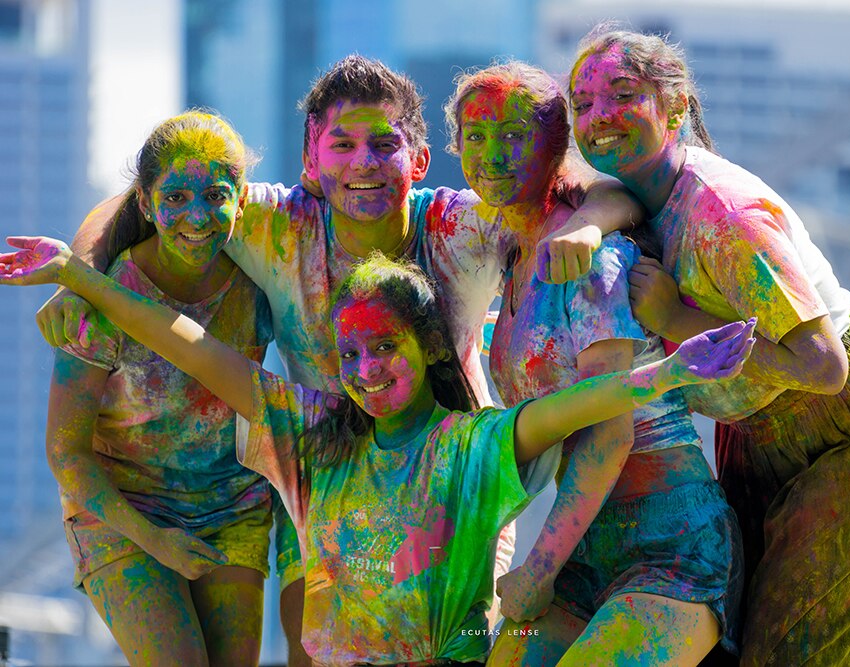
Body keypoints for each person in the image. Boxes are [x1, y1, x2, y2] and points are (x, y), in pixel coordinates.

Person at [34, 55, 642, 665]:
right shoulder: (279, 224)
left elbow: (596, 192)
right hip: (324, 475)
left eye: (385, 145)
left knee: (448, 653)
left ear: (420, 161)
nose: (364, 164)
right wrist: (77, 277)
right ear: (312, 164)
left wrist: (587, 228)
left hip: (451, 482)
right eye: (343, 145)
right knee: (316, 654)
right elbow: (146, 199)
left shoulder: (460, 227)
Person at [2, 240, 756, 665]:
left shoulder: (468, 448)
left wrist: (671, 372)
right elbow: (192, 346)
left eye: (383, 348)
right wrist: (77, 274)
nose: (366, 371)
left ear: (427, 345)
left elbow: (571, 407)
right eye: (349, 354)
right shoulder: (311, 437)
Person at [569, 25, 850, 666]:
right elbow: (598, 192)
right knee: (737, 638)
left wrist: (678, 316)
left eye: (622, 94)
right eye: (582, 104)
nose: (599, 117)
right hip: (760, 425)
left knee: (791, 645)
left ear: (677, 106)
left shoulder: (725, 217)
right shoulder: (638, 192)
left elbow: (824, 366)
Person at [446, 62, 745, 665]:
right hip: (585, 548)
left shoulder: (589, 257)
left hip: (670, 545)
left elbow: (610, 433)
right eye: (475, 137)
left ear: (555, 145)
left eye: (513, 135)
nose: (493, 156)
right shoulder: (510, 248)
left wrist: (536, 568)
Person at [43, 112, 273, 665]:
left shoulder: (260, 277)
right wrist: (152, 539)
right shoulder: (106, 297)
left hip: (232, 508)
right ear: (145, 203)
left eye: (215, 195)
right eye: (175, 198)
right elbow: (65, 452)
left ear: (240, 200)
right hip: (122, 509)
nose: (197, 216)